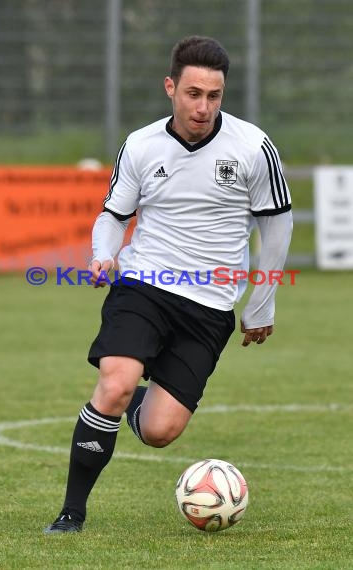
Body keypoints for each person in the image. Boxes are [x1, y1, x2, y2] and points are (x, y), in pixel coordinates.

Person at [44, 35, 292, 533]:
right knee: (114, 382)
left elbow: (278, 225)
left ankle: (133, 403)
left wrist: (261, 305)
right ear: (171, 88)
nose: (203, 107)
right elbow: (114, 215)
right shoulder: (141, 145)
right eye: (193, 94)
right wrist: (102, 255)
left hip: (209, 306)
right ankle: (71, 512)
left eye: (214, 95)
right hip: (144, 284)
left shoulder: (252, 146)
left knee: (159, 431)